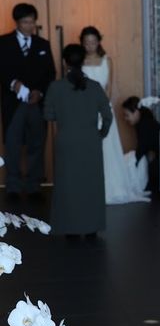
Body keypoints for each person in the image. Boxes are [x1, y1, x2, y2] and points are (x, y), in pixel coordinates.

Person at [44, 44, 112, 237]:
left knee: (68, 186)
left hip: (66, 141)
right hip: (91, 141)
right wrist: (100, 134)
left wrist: (64, 117)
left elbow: (48, 114)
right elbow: (107, 116)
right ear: (83, 61)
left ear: (64, 62)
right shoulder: (95, 87)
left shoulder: (56, 87)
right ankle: (92, 228)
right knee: (91, 186)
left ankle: (70, 228)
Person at [80, 26, 150, 204]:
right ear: (82, 43)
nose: (90, 45)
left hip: (103, 107)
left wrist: (102, 106)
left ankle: (112, 186)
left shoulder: (107, 60)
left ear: (98, 42)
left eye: (93, 42)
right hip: (85, 109)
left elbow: (109, 88)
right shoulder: (79, 61)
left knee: (107, 147)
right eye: (87, 42)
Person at [0, 3, 56, 199]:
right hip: (13, 104)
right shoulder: (3, 42)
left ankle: (34, 187)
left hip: (36, 103)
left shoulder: (43, 44)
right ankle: (13, 187)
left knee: (37, 144)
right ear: (17, 22)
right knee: (13, 145)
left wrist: (40, 92)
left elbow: (50, 73)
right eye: (25, 22)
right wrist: (13, 83)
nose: (30, 26)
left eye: (32, 22)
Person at [122, 96, 160, 192]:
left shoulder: (145, 124)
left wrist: (134, 163)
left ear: (136, 112)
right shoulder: (143, 122)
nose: (125, 119)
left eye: (127, 115)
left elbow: (142, 147)